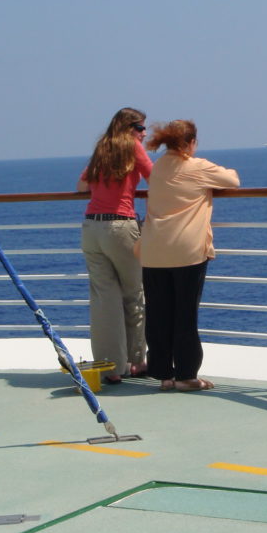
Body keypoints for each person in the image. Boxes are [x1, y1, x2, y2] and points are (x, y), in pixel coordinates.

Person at [138, 120, 240, 391]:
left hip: (153, 249)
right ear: (190, 142)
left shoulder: (158, 167)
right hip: (186, 251)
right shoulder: (197, 167)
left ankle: (164, 375)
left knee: (159, 313)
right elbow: (232, 180)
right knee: (185, 314)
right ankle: (186, 375)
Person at [77, 107, 152, 384]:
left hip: (91, 228)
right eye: (141, 128)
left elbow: (82, 185)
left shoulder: (102, 148)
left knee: (103, 300)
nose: (144, 134)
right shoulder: (132, 147)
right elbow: (154, 178)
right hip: (120, 226)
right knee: (134, 294)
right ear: (130, 128)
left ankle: (110, 368)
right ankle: (136, 361)